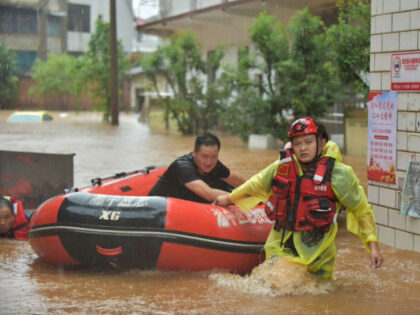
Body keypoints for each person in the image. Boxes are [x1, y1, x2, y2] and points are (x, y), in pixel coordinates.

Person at [216, 117, 383, 280]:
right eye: (297, 143)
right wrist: (228, 199)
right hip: (281, 247)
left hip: (318, 256)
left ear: (321, 144)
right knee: (273, 286)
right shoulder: (281, 168)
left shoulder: (340, 174)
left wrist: (373, 247)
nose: (303, 148)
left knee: (315, 298)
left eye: (308, 142)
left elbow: (361, 209)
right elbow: (255, 185)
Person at [149, 132, 245, 203]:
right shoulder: (183, 166)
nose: (209, 162)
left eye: (214, 157)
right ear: (194, 153)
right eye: (204, 156)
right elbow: (209, 195)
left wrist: (255, 191)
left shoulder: (214, 164)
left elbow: (236, 179)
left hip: (186, 205)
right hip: (159, 208)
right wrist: (245, 197)